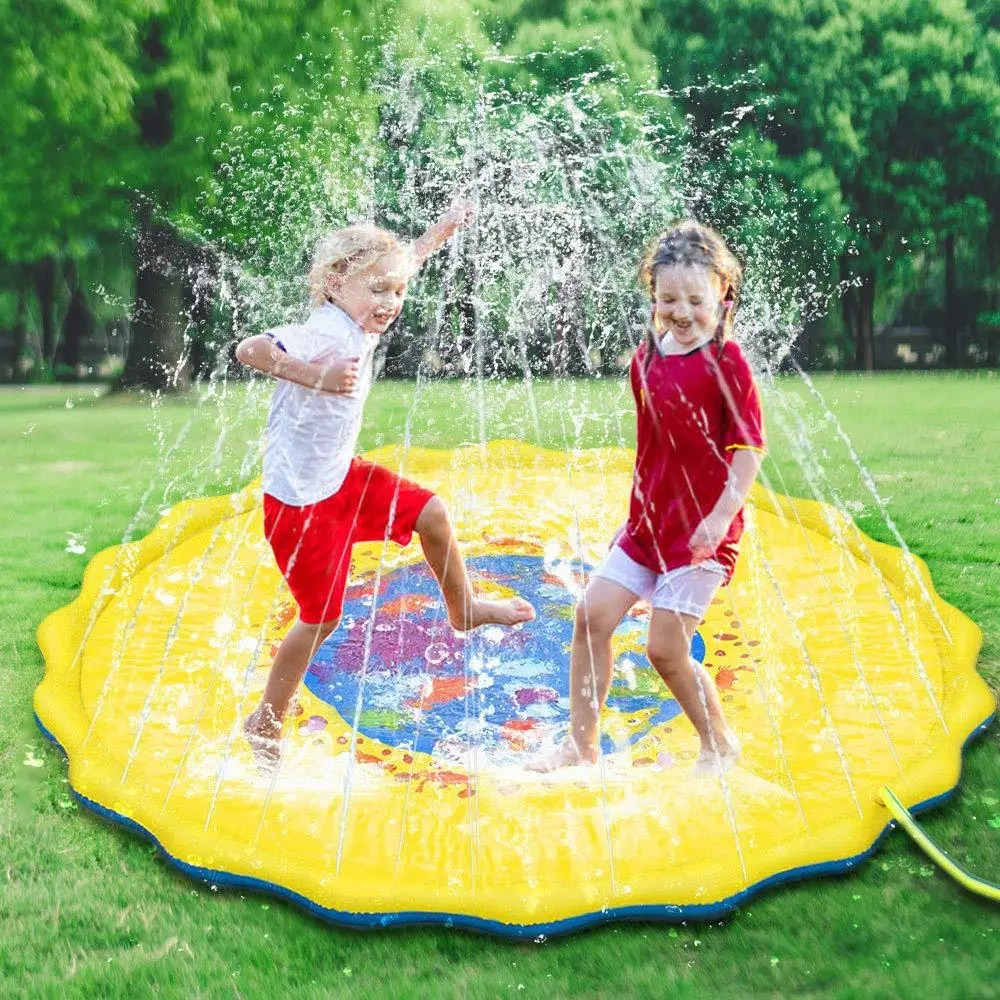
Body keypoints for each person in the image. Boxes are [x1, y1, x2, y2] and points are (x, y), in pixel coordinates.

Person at [235, 209, 535, 763]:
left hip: (342, 479)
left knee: (433, 515)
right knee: (319, 618)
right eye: (379, 290)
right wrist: (316, 377)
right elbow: (248, 350)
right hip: (300, 507)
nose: (392, 302)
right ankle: (265, 722)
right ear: (333, 285)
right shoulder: (324, 330)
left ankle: (463, 607)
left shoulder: (357, 312)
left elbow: (404, 264)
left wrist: (440, 232)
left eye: (397, 291)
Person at [528, 220, 765, 776]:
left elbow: (749, 452)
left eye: (695, 300)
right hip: (647, 530)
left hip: (703, 536)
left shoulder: (727, 365)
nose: (681, 312)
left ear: (722, 294)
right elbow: (652, 449)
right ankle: (580, 748)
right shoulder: (647, 358)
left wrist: (718, 519)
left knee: (664, 650)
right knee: (590, 617)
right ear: (652, 296)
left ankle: (718, 742)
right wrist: (632, 517)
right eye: (667, 299)